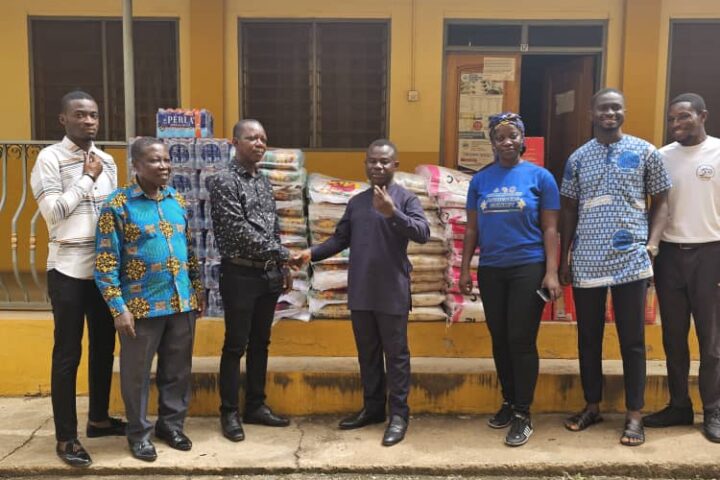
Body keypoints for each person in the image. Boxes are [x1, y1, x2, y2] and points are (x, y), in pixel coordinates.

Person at [291, 139, 430, 446]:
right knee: (367, 355)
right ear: (365, 164)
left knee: (396, 356)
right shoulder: (356, 202)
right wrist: (310, 253)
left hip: (392, 291)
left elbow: (423, 233)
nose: (377, 166)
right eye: (372, 161)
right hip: (362, 290)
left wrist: (393, 213)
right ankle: (373, 408)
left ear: (395, 165)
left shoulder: (406, 199)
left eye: (384, 161)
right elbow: (339, 240)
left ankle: (399, 416)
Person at [559, 88, 671, 446]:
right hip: (587, 260)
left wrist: (652, 244)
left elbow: (662, 200)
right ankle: (592, 405)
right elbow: (568, 210)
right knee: (588, 339)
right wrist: (565, 258)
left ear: (624, 111)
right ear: (591, 113)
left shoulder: (646, 152)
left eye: (616, 108)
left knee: (633, 340)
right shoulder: (578, 158)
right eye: (603, 108)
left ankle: (634, 414)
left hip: (630, 260)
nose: (610, 113)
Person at [30, 90, 126, 467]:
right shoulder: (49, 159)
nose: (89, 121)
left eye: (94, 115)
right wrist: (86, 178)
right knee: (68, 354)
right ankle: (66, 437)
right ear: (63, 120)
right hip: (67, 270)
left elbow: (112, 214)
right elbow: (54, 213)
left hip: (102, 272)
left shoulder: (108, 160)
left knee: (104, 347)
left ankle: (98, 420)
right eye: (80, 115)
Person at [94, 137, 202, 462]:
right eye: (155, 160)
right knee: (136, 375)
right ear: (136, 166)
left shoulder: (176, 200)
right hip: (140, 307)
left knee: (178, 371)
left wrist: (196, 290)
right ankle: (139, 434)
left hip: (180, 302)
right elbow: (105, 262)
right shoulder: (118, 205)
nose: (164, 166)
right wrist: (118, 309)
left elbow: (189, 251)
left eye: (167, 159)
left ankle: (171, 426)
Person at [459, 112, 561, 447]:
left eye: (512, 136)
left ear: (522, 140)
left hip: (528, 267)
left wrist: (551, 271)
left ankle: (523, 412)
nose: (506, 142)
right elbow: (472, 229)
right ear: (492, 142)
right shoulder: (480, 180)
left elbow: (550, 229)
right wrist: (465, 269)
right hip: (491, 269)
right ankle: (508, 400)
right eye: (500, 137)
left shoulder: (541, 178)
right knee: (500, 338)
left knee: (521, 339)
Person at [208, 119, 294, 443]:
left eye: (263, 138)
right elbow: (238, 232)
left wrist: (282, 265)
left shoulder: (263, 181)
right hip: (240, 273)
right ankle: (229, 412)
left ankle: (256, 405)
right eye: (251, 138)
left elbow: (272, 227)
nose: (259, 143)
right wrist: (285, 254)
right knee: (235, 345)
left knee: (261, 342)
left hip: (267, 273)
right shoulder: (224, 181)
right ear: (235, 143)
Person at [643, 93, 720, 442]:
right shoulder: (662, 157)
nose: (676, 124)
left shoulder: (717, 152)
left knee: (711, 341)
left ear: (703, 116)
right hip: (670, 255)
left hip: (711, 253)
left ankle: (713, 409)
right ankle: (679, 405)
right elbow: (655, 206)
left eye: (684, 117)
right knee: (673, 337)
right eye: (672, 119)